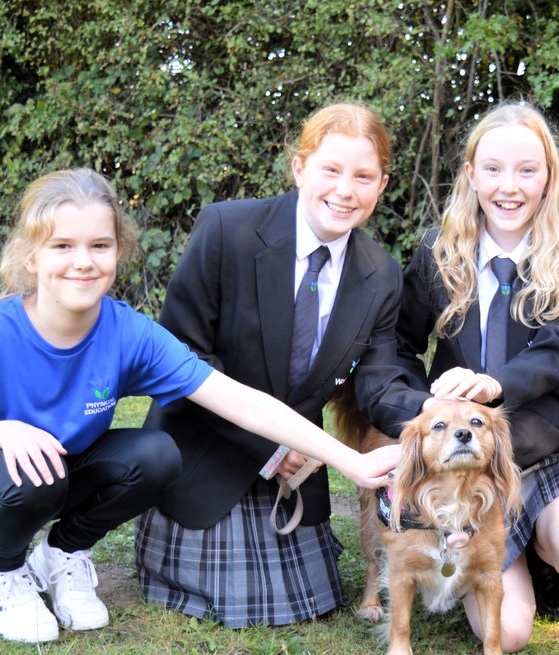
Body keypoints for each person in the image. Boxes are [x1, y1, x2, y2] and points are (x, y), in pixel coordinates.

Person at [0, 168, 398, 644]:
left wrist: (351, 461)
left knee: (158, 453)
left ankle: (63, 552)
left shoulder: (130, 332)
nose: (83, 262)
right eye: (62, 246)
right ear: (31, 256)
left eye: (99, 246)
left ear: (119, 251)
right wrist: (7, 432)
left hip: (62, 467)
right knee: (35, 474)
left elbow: (237, 400)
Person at [136, 102, 405, 627]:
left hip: (297, 473)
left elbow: (379, 383)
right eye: (331, 170)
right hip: (208, 447)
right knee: (248, 602)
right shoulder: (226, 230)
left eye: (363, 176)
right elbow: (179, 354)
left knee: (310, 600)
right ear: (300, 167)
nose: (345, 190)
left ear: (382, 184)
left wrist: (431, 410)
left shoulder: (383, 275)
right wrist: (272, 445)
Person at [368, 102, 559, 651]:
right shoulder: (437, 250)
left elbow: (557, 349)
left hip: (540, 442)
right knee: (513, 636)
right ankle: (499, 552)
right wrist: (423, 410)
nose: (510, 186)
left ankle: (547, 560)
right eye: (493, 169)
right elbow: (398, 345)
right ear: (471, 175)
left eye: (528, 170)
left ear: (549, 177)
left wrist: (494, 384)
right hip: (460, 458)